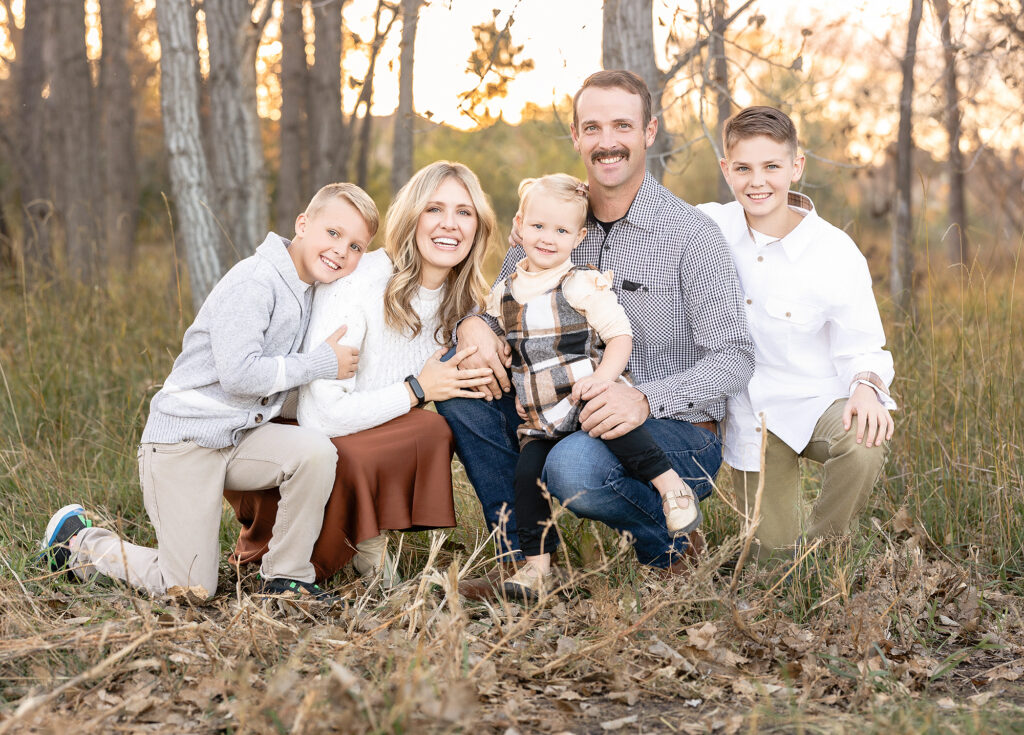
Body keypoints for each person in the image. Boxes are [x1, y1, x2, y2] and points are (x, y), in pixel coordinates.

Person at [437, 70, 755, 598]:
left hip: (672, 429)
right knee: (464, 371)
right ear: (577, 136)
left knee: (574, 465)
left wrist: (644, 397)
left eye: (622, 126)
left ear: (649, 131)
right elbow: (506, 309)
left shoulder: (691, 235)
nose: (608, 142)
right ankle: (524, 560)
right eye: (593, 127)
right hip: (558, 409)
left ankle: (670, 546)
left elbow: (734, 356)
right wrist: (474, 324)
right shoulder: (550, 217)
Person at [41, 183, 380, 604]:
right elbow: (239, 375)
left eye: (356, 246)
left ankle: (287, 577)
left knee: (314, 452)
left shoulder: (312, 291)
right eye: (333, 233)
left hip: (236, 437)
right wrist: (319, 364)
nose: (341, 251)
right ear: (303, 224)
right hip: (183, 443)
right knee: (191, 590)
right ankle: (81, 543)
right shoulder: (256, 281)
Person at [224, 161, 496, 586]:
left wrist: (479, 322)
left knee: (431, 427)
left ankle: (519, 550)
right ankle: (332, 548)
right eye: (434, 209)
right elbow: (321, 418)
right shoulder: (358, 282)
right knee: (421, 425)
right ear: (411, 217)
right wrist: (417, 389)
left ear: (479, 227)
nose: (450, 224)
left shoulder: (464, 302)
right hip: (296, 446)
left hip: (355, 440)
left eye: (464, 212)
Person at [490, 173, 702, 600]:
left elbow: (620, 336)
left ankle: (671, 489)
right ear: (519, 225)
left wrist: (604, 379)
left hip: (584, 390)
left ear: (579, 237)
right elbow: (496, 329)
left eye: (562, 230)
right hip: (539, 410)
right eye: (538, 227)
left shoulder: (582, 282)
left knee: (618, 430)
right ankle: (537, 568)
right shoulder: (505, 289)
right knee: (527, 477)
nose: (548, 238)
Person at [697, 106, 896, 561]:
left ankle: (823, 553)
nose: (757, 181)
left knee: (865, 440)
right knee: (772, 565)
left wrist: (866, 388)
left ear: (796, 167)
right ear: (726, 170)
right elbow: (638, 222)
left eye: (772, 166)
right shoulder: (707, 226)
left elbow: (863, 343)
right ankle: (790, 564)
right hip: (751, 419)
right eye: (744, 168)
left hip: (815, 402)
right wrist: (544, 224)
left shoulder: (834, 251)